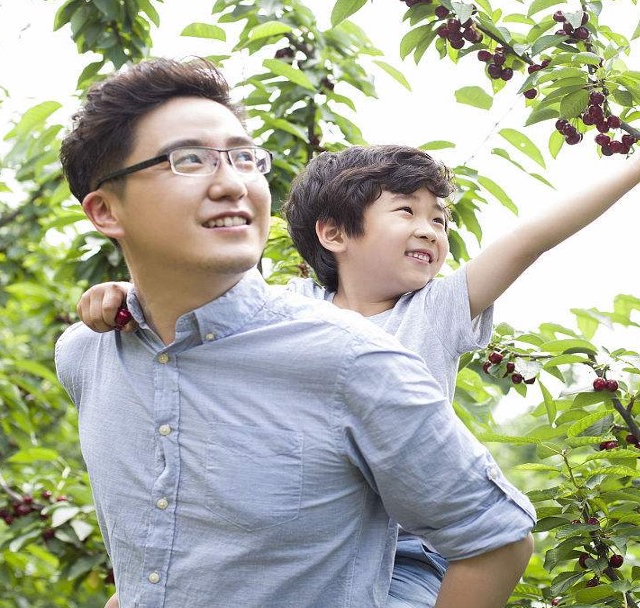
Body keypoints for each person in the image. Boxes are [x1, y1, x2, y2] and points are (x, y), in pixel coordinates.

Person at [77, 96, 640, 605]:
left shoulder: (436, 308)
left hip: (413, 551)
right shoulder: (294, 313)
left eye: (439, 219)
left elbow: (530, 239)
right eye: (406, 212)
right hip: (309, 536)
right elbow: (203, 303)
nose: (429, 231)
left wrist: (639, 164)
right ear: (333, 234)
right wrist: (122, 295)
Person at [55, 56, 537, 608]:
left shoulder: (355, 361)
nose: (232, 183)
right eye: (189, 160)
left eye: (244, 158)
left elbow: (496, 540)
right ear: (105, 211)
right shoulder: (87, 354)